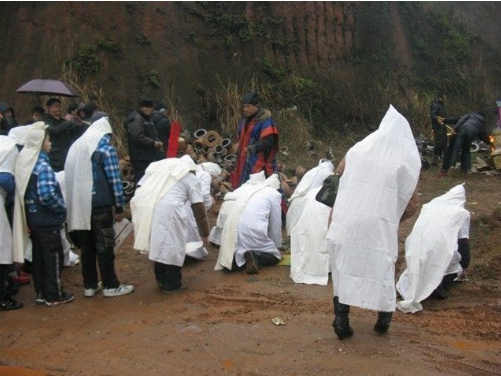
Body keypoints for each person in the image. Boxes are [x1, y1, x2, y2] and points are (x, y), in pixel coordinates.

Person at [326, 105, 421, 340]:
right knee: (384, 267)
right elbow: (411, 204)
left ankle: (341, 319)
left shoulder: (357, 150)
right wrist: (391, 218)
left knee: (344, 268)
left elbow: (337, 179)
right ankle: (383, 319)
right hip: (378, 224)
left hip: (345, 218)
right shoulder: (403, 161)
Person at [65, 115, 134, 298]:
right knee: (104, 246)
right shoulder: (104, 148)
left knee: (87, 247)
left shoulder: (78, 146)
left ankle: (90, 285)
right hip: (99, 205)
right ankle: (111, 285)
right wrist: (119, 206)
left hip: (80, 204)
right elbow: (114, 179)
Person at [12, 122, 74, 306]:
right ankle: (54, 294)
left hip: (34, 219)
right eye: (48, 139)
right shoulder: (43, 167)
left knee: (38, 258)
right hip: (48, 221)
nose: (51, 143)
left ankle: (41, 292)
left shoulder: (27, 163)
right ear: (40, 142)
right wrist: (61, 206)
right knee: (53, 258)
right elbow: (47, 194)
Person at [130, 157, 210, 293]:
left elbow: (139, 186)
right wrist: (205, 234)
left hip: (147, 206)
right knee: (173, 245)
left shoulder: (160, 175)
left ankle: (160, 279)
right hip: (170, 210)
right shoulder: (190, 178)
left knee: (158, 242)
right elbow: (199, 208)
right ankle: (172, 283)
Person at [396, 184, 471, 313]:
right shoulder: (461, 214)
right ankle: (439, 284)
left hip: (415, 248)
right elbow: (464, 243)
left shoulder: (431, 206)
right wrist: (464, 266)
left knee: (418, 268)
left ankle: (411, 286)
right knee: (453, 266)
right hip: (439, 251)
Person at [215, 173, 282, 274]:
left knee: (236, 252)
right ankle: (256, 257)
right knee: (276, 256)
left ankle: (234, 260)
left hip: (229, 231)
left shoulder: (242, 189)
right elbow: (275, 224)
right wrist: (276, 246)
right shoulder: (274, 193)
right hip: (253, 231)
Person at [232, 92, 279, 188]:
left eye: (248, 107)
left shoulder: (266, 121)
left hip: (260, 162)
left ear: (256, 106)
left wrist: (252, 148)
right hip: (244, 161)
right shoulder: (244, 121)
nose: (245, 109)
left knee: (266, 188)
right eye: (244, 107)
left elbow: (269, 142)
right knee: (244, 188)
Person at [0, 135, 23, 311]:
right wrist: (19, 195)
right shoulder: (11, 148)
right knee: (3, 249)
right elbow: (5, 178)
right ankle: (2, 298)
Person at [286, 158, 334, 236]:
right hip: (309, 202)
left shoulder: (311, 171)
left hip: (296, 200)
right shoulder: (329, 173)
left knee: (294, 227)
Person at [43, 98, 87, 172]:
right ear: (49, 108)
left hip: (66, 156)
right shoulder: (46, 121)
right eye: (56, 106)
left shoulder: (62, 121)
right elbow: (55, 131)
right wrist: (67, 122)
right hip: (55, 158)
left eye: (60, 106)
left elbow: (74, 135)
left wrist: (78, 126)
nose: (59, 109)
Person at [126, 98, 163, 185]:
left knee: (149, 181)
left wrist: (157, 141)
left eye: (150, 107)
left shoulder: (147, 118)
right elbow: (137, 136)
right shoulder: (136, 119)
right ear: (140, 108)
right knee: (141, 181)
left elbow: (152, 132)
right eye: (146, 107)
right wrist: (153, 143)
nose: (148, 109)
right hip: (140, 157)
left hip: (148, 156)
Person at [429, 93, 449, 166]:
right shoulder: (435, 105)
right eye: (444, 98)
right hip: (437, 127)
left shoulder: (441, 105)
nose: (445, 99)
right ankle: (435, 158)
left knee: (444, 142)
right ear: (440, 98)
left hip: (443, 126)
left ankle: (440, 156)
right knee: (439, 142)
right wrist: (437, 118)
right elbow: (433, 114)